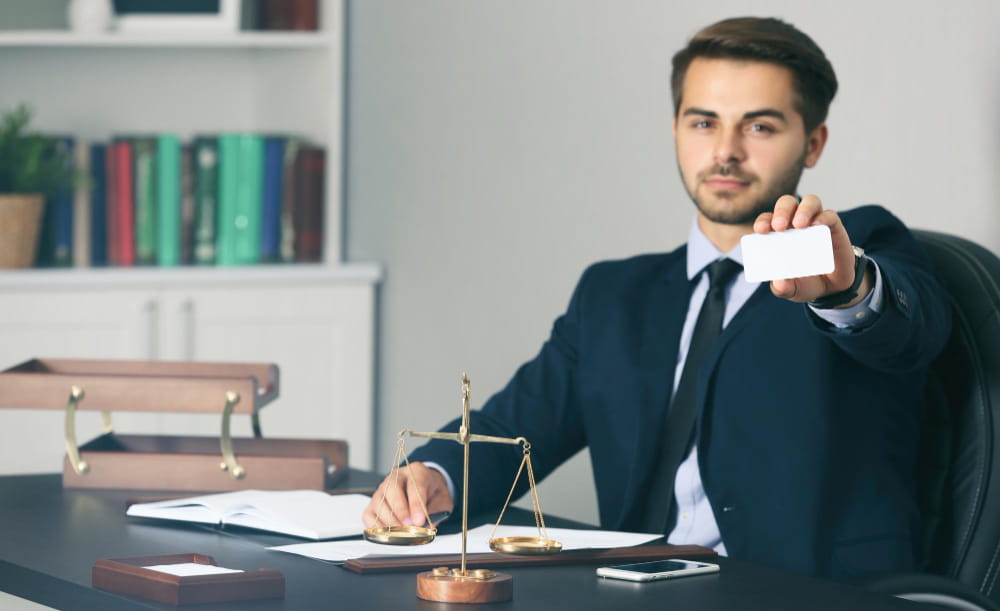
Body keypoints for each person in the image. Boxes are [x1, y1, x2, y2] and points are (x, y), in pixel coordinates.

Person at [361, 16, 951, 580]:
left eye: (760, 126)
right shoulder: (614, 297)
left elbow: (907, 328)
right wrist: (434, 475)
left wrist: (848, 288)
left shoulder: (857, 250)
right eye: (703, 123)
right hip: (634, 604)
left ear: (813, 142)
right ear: (674, 129)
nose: (726, 151)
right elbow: (511, 428)